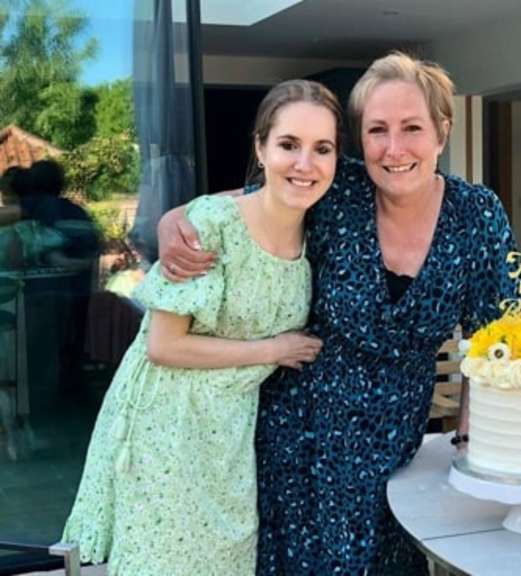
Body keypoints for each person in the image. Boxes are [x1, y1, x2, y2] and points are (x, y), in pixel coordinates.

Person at [159, 52, 517, 574]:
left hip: (395, 447)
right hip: (297, 438)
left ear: (442, 132)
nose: (394, 149)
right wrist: (175, 220)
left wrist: (470, 442)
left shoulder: (477, 214)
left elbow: (494, 341)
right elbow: (240, 208)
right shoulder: (336, 189)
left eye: (411, 128)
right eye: (377, 130)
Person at [61, 79, 341, 576]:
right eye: (288, 144)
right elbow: (163, 346)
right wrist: (274, 348)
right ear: (260, 147)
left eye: (323, 148)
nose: (306, 163)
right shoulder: (212, 225)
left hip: (229, 433)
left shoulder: (319, 223)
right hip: (167, 424)